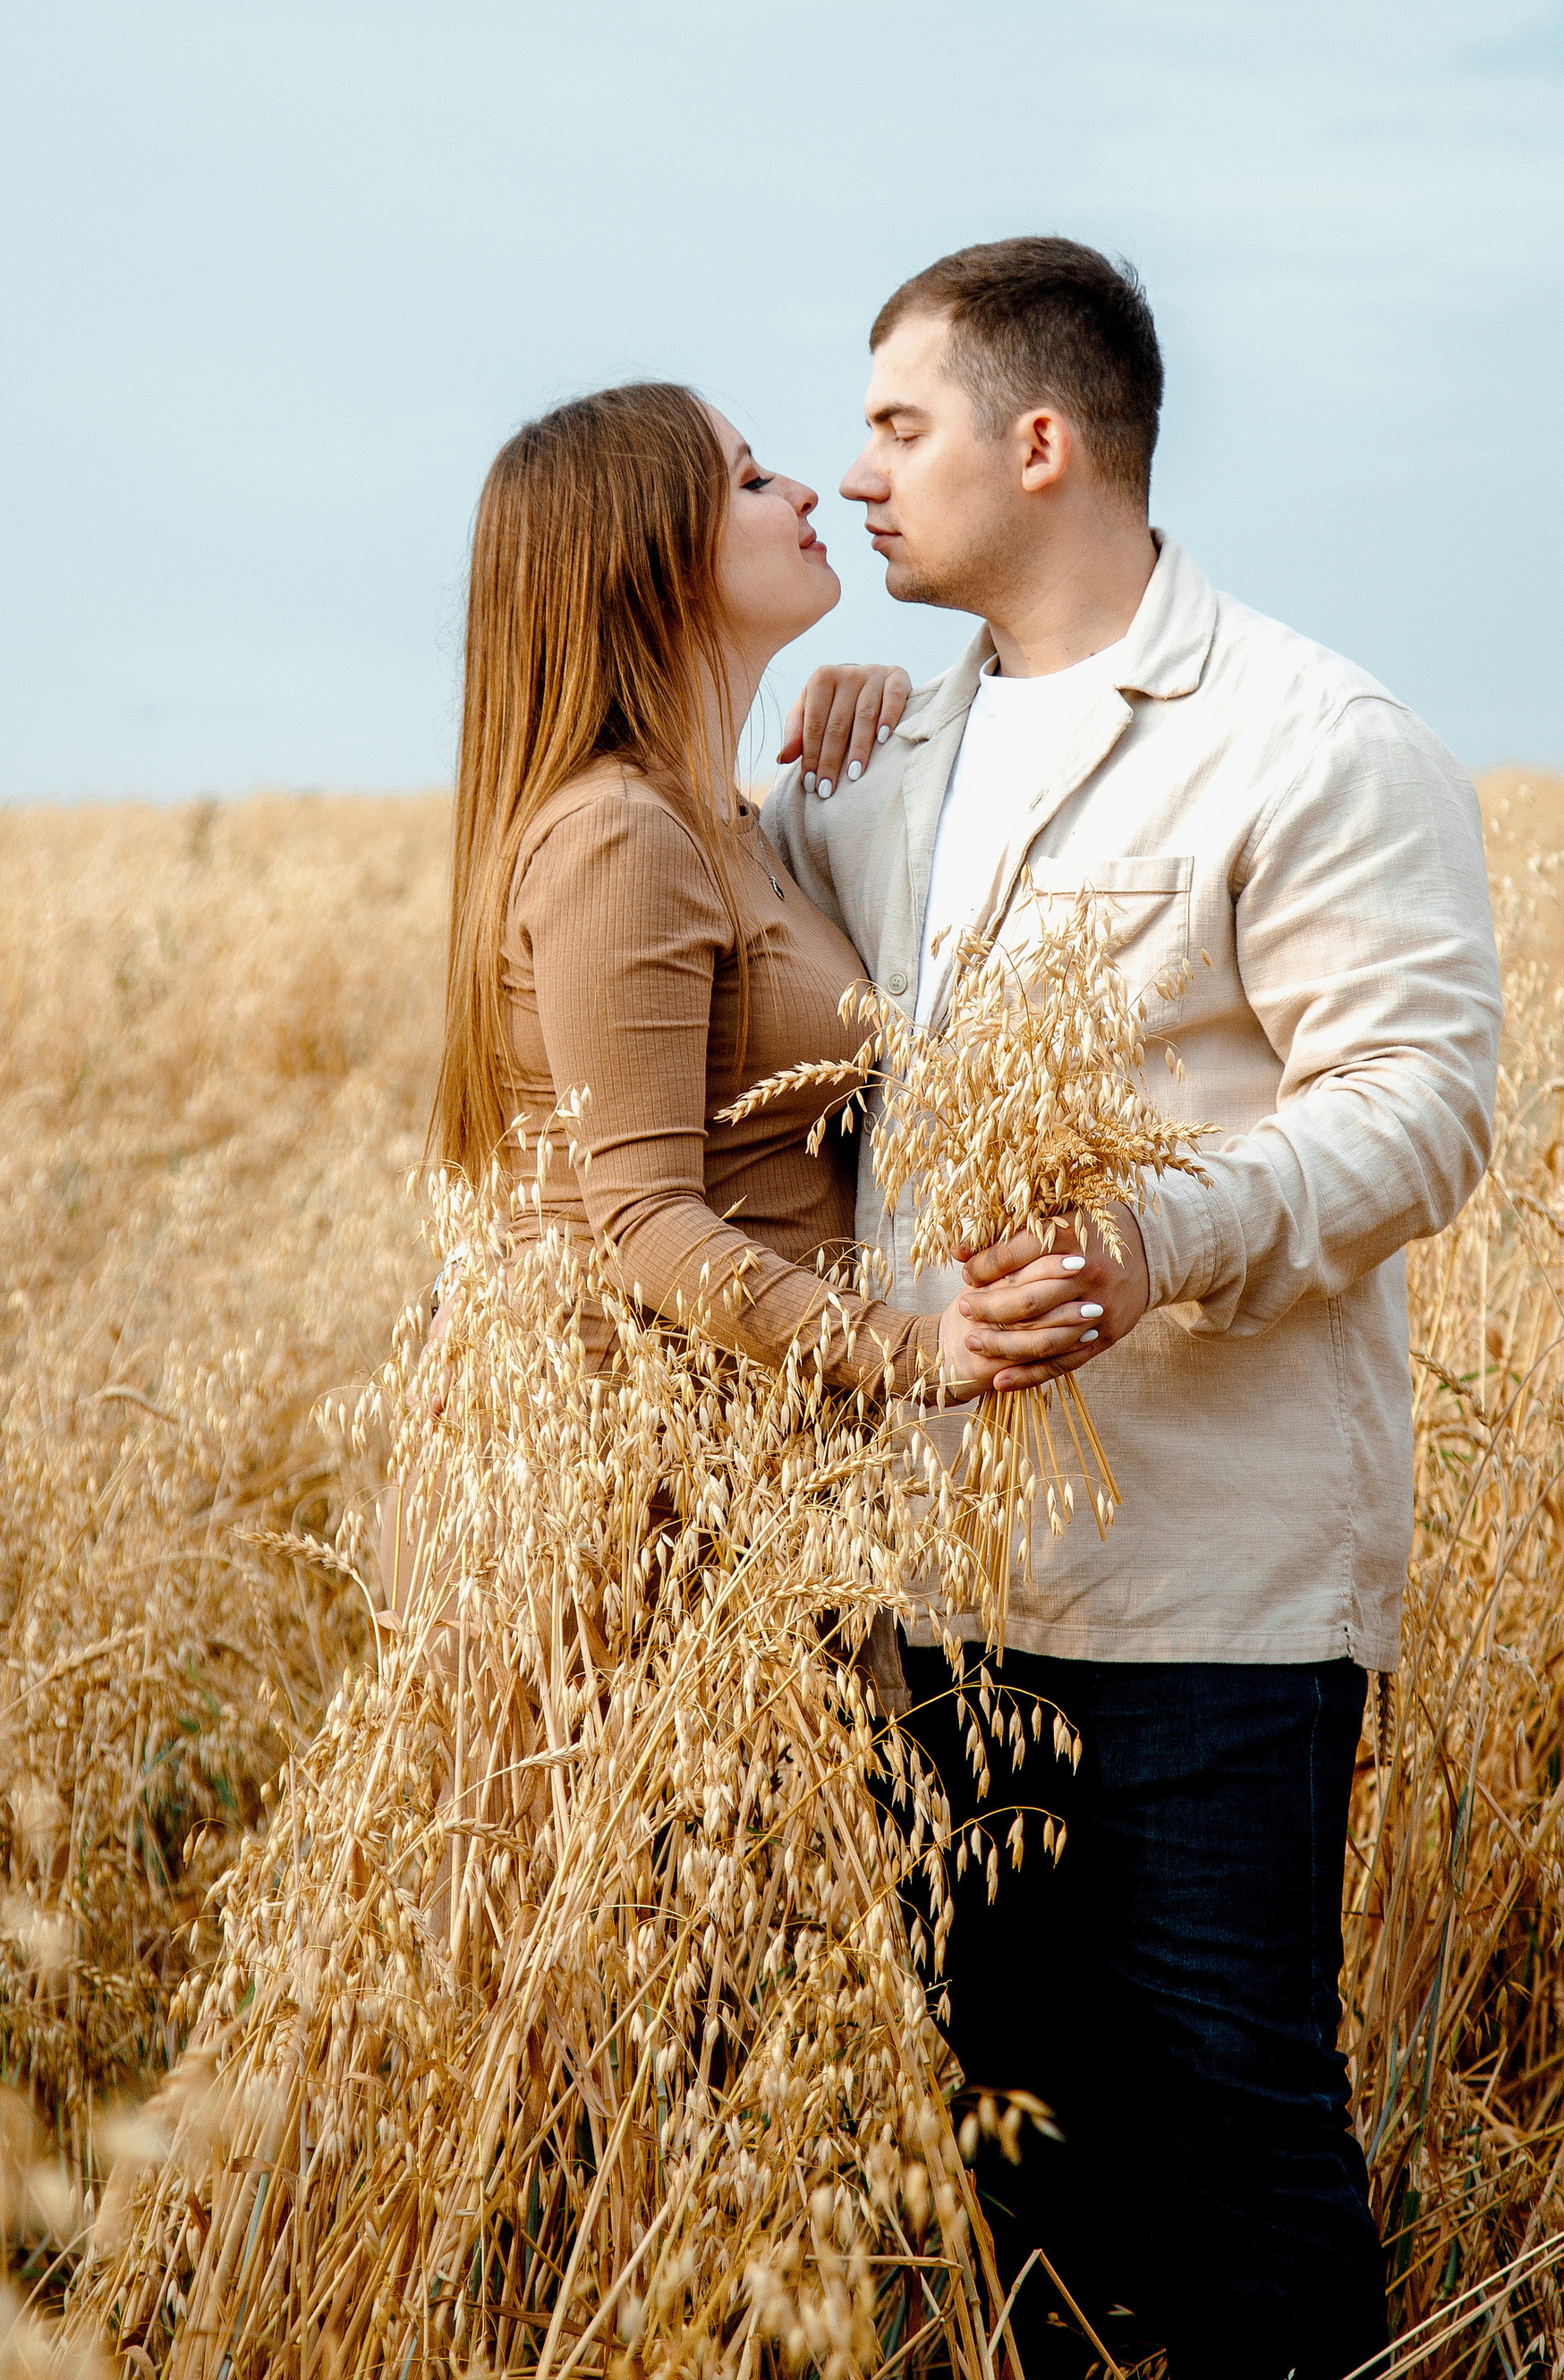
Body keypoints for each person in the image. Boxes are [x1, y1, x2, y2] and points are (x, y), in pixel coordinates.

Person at [764, 240, 1502, 2380]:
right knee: (1014, 2147)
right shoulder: (898, 759)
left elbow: (1425, 1100)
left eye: (897, 424)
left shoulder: (1313, 732)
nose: (860, 466)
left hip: (1209, 1589)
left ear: (1041, 443)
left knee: (1235, 2136)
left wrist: (1159, 1233)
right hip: (935, 1577)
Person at [401, 379, 1104, 1601]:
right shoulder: (623, 836)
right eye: (747, 478)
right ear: (654, 561)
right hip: (615, 1505)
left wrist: (898, 719)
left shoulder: (722, 822)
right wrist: (927, 1350)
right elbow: (644, 1220)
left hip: (736, 1472)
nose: (806, 490)